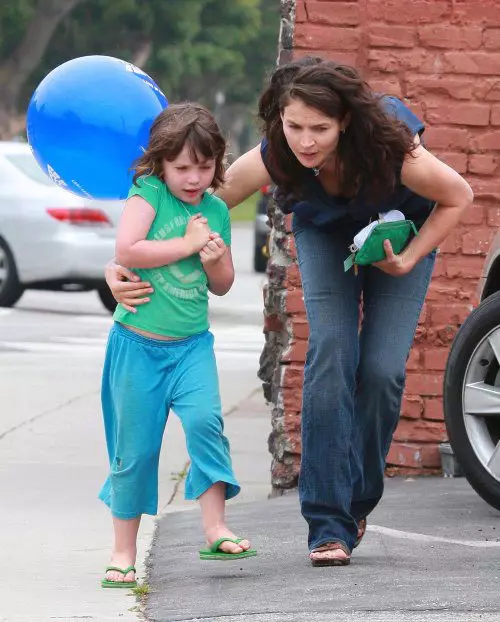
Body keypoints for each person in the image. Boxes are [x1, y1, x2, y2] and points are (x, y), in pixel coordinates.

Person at [105, 58, 473, 567]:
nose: (305, 141)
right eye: (294, 125)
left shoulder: (391, 144)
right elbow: (193, 206)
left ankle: (358, 499)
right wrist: (121, 260)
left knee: (383, 370)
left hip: (400, 235)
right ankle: (327, 523)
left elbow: (458, 196)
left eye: (320, 129)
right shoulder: (277, 152)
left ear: (345, 121)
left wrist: (409, 257)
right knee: (331, 353)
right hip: (323, 231)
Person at [99, 102, 256, 589]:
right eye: (182, 167)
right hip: (137, 345)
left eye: (204, 167)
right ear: (160, 163)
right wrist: (188, 245)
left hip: (191, 347)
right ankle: (123, 551)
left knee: (207, 423)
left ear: (217, 164)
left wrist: (212, 258)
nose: (193, 178)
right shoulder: (147, 194)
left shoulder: (213, 209)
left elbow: (224, 283)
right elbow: (128, 249)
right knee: (135, 449)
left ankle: (214, 527)